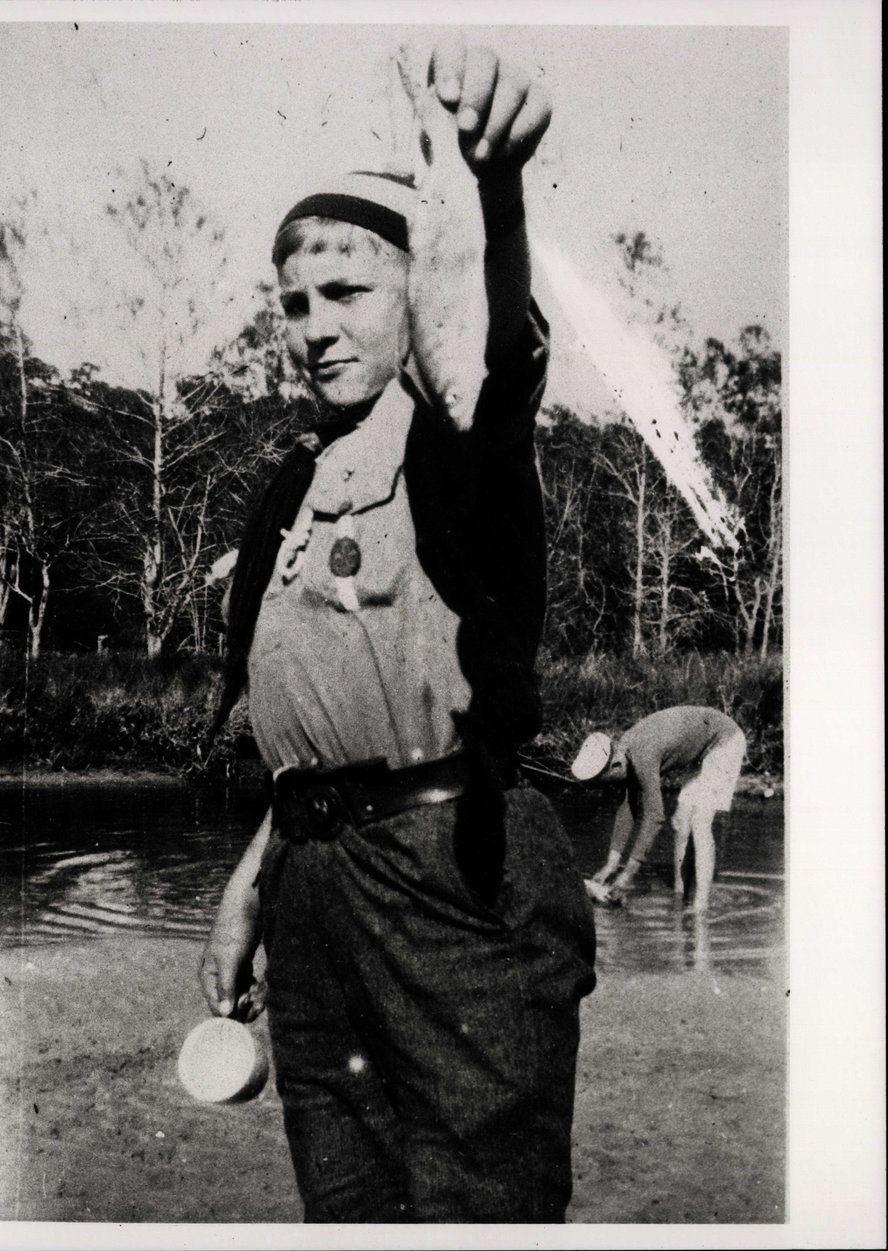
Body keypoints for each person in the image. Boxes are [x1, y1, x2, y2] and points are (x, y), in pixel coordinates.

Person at [198, 39, 596, 1224]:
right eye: (294, 303)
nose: (313, 326)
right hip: (314, 890)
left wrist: (492, 191)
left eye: (349, 292)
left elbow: (490, 350)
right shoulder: (292, 486)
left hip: (453, 883)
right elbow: (310, 742)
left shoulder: (453, 439)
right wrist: (247, 894)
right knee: (349, 1213)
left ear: (417, 291)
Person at [571, 706, 747, 911]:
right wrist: (611, 864)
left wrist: (628, 874)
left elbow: (654, 817)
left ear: (615, 765)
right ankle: (680, 898)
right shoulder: (624, 751)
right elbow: (628, 805)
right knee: (680, 824)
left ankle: (700, 908)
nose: (610, 786)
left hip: (724, 739)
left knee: (699, 823)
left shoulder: (642, 755)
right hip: (701, 749)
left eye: (608, 781)